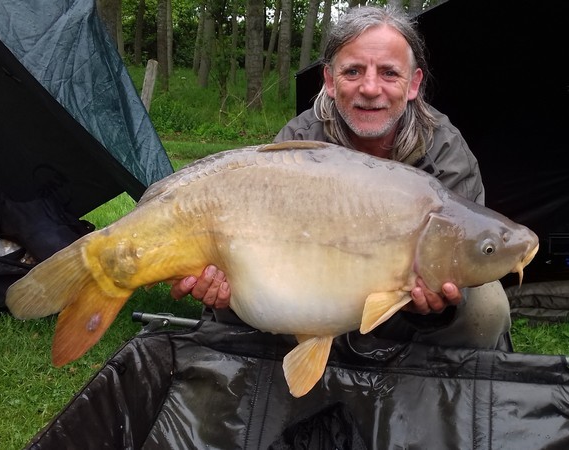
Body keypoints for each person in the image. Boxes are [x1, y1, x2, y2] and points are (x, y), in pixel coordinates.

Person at [169, 5, 512, 350]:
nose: (370, 88)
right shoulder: (300, 142)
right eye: (353, 71)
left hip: (400, 309)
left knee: (486, 307)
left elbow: (464, 253)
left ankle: (417, 374)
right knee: (239, 295)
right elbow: (259, 252)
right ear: (331, 81)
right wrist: (225, 287)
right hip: (311, 290)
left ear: (413, 84)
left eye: (389, 73)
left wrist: (432, 310)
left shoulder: (446, 152)